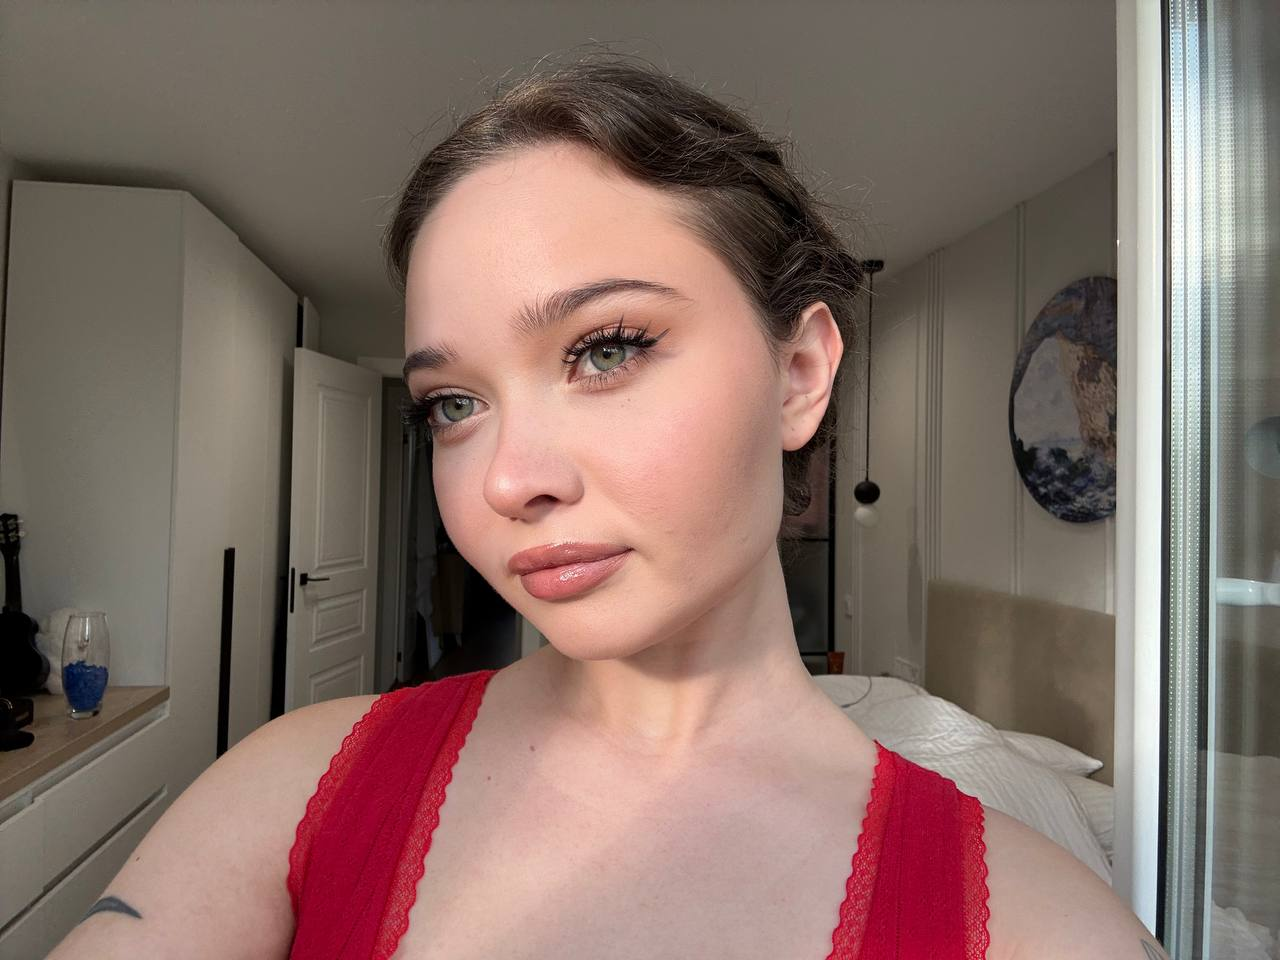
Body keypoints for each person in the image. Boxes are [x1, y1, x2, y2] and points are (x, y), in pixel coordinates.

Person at [46, 55, 1168, 960]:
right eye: (452, 405)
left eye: (606, 349)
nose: (505, 480)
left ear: (797, 374)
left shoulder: (1043, 927)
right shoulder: (295, 790)